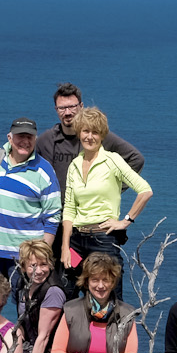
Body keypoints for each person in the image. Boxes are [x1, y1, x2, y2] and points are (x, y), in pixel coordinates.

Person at [60, 106, 153, 283]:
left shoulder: (112, 160)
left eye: (95, 132)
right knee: (68, 292)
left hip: (103, 240)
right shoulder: (74, 165)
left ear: (102, 135)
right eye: (86, 131)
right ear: (79, 132)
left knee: (110, 298)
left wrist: (125, 221)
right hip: (76, 242)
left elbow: (145, 190)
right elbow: (70, 209)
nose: (89, 136)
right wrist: (65, 246)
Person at [0, 116, 63, 283]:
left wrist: (40, 257)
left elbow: (53, 217)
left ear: (35, 139)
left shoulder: (44, 172)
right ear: (10, 138)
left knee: (25, 307)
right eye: (20, 136)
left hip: (26, 259)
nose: (25, 141)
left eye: (29, 137)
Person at [36, 83, 143, 187]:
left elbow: (136, 159)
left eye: (72, 107)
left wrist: (113, 189)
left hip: (90, 205)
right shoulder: (46, 140)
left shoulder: (97, 136)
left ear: (81, 106)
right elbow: (23, 162)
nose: (67, 112)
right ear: (56, 109)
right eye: (62, 108)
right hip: (56, 204)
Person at [11, 240, 66, 353]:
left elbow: (44, 335)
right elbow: (21, 323)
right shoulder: (23, 284)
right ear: (23, 267)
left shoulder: (53, 291)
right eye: (33, 265)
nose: (39, 271)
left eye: (44, 264)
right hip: (29, 345)